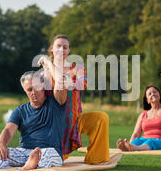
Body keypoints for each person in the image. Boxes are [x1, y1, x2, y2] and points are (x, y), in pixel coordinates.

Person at [0, 70, 67, 171]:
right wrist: (1, 144)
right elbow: (8, 130)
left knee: (47, 154)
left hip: (50, 150)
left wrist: (47, 62)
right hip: (24, 152)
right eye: (29, 90)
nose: (33, 92)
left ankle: (29, 166)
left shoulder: (56, 103)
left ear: (43, 87)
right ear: (25, 91)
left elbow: (60, 82)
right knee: (5, 152)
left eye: (36, 87)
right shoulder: (20, 111)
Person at [38, 34, 109, 164]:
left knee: (101, 118)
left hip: (75, 121)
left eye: (65, 47)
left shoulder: (77, 69)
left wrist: (72, 83)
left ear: (69, 50)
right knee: (56, 159)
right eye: (58, 46)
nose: (61, 50)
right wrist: (48, 65)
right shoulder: (43, 73)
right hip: (54, 126)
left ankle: (96, 158)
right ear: (51, 49)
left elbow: (82, 84)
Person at [116, 71, 161, 151]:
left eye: (155, 92)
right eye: (150, 94)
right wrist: (131, 143)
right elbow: (136, 134)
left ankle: (135, 148)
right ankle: (129, 147)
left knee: (150, 142)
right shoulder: (143, 115)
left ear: (159, 94)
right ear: (147, 100)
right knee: (138, 140)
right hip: (145, 142)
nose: (153, 94)